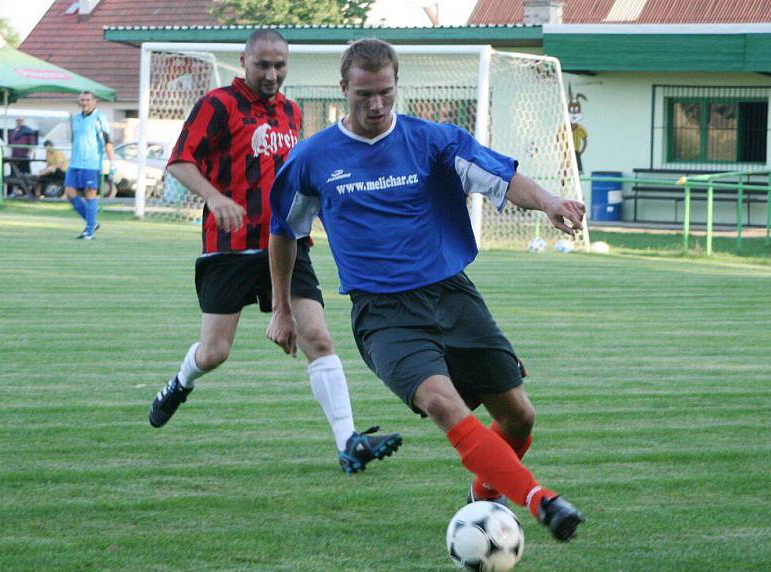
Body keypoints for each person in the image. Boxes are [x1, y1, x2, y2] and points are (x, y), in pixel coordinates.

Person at [268, 39, 586, 541]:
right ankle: (539, 500)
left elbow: (501, 176)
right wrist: (282, 308)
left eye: (386, 94)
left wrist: (548, 201)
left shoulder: (434, 141)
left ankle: (483, 496)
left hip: (451, 295)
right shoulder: (312, 159)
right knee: (441, 401)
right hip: (382, 313)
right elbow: (284, 233)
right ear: (343, 88)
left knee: (519, 416)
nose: (376, 106)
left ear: (397, 86)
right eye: (364, 95)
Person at [151, 29, 402, 474]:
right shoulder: (217, 105)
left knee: (319, 339)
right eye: (262, 64)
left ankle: (348, 441)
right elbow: (179, 161)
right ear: (242, 61)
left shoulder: (291, 111)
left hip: (287, 245)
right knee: (214, 353)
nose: (272, 74)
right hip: (229, 249)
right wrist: (214, 197)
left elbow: (299, 180)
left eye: (279, 65)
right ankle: (178, 383)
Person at [65, 91, 114, 240]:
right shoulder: (76, 118)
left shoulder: (100, 118)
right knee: (69, 193)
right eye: (82, 100)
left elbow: (107, 141)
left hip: (91, 164)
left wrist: (112, 163)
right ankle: (92, 222)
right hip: (74, 163)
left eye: (87, 100)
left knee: (89, 195)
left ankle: (89, 231)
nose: (84, 103)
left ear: (94, 101)